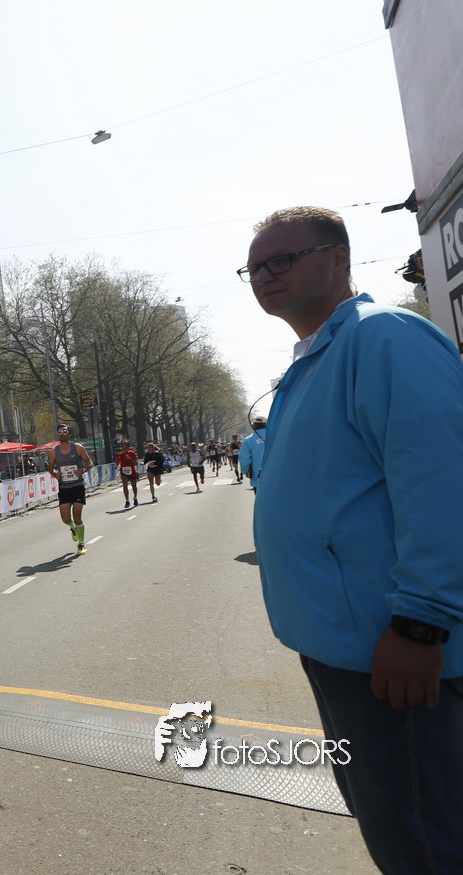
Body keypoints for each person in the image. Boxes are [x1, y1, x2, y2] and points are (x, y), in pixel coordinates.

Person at [243, 205, 463, 872]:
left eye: (283, 259)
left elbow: (441, 484)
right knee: (398, 827)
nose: (265, 276)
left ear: (339, 258)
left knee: (422, 843)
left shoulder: (384, 337)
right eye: (254, 268)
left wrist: (420, 624)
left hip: (394, 655)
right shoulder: (318, 357)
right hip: (346, 650)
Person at [47, 424, 94, 554]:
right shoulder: (53, 452)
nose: (62, 433)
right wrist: (54, 474)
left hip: (77, 486)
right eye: (59, 432)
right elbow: (50, 468)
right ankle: (72, 527)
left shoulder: (78, 448)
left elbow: (90, 463)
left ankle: (81, 544)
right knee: (65, 518)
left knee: (77, 516)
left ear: (69, 434)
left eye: (64, 431)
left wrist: (82, 470)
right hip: (64, 488)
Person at [238, 415, 268, 492]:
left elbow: (244, 460)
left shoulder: (248, 440)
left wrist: (246, 471)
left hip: (258, 479)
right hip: (278, 478)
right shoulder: (276, 436)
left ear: (253, 426)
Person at [115, 439, 140, 508]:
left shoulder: (132, 453)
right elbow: (117, 461)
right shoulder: (119, 454)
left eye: (125, 445)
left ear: (128, 446)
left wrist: (130, 459)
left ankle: (135, 497)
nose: (124, 446)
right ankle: (127, 500)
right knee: (125, 485)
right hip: (123, 471)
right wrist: (116, 465)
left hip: (132, 471)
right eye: (123, 444)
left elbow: (135, 463)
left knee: (134, 486)